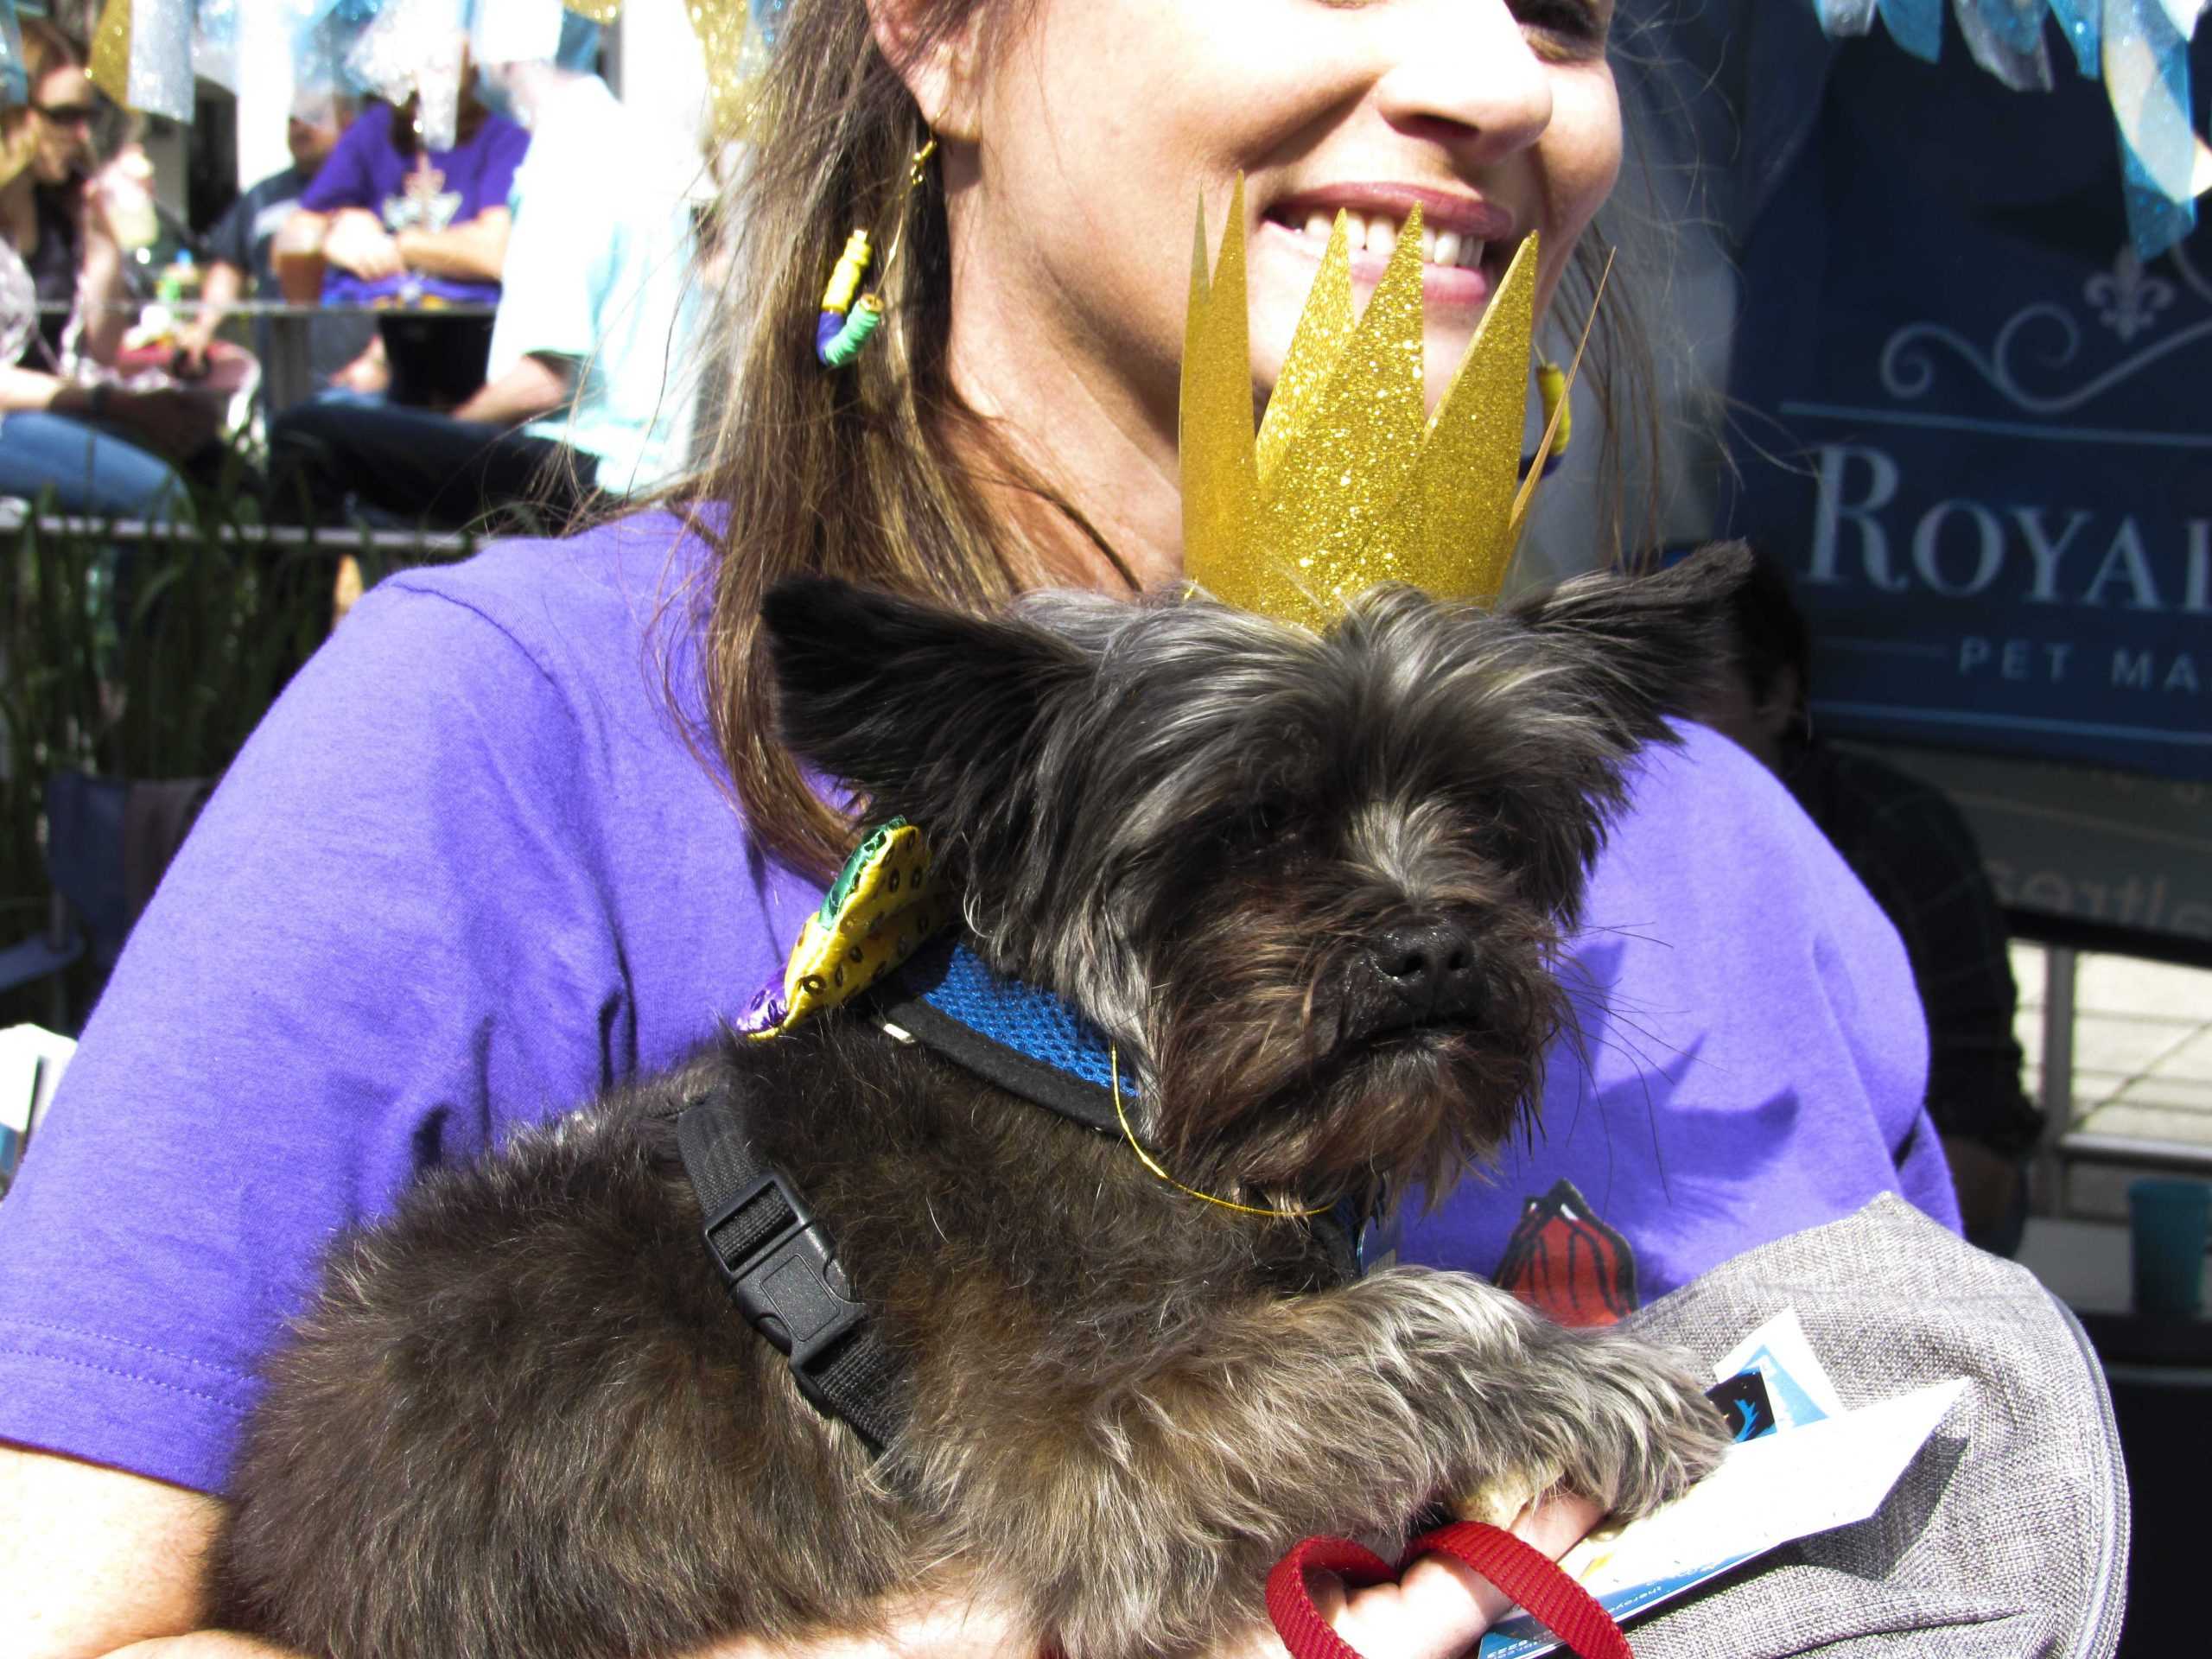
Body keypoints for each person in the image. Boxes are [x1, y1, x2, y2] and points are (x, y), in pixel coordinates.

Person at [0, 3, 1955, 1656]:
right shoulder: (511, 743)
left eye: (1564, 2)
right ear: (934, 28)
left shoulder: (1726, 857)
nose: (1489, 77)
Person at [1686, 546, 2044, 1255]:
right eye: (1622, 691)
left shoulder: (1893, 838)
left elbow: (1980, 1130)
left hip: (1875, 1232)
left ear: (1778, 695)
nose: (1650, 726)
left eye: (1687, 689)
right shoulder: (1588, 835)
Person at [264, 54, 702, 529]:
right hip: (633, 466)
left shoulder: (570, 155)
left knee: (304, 433)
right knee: (376, 431)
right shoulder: (618, 135)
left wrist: (450, 426)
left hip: (591, 474)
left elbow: (542, 384)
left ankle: (292, 603)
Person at [0, 19, 221, 516]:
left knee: (215, 466)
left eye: (89, 115)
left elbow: (102, 346)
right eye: (64, 115)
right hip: (13, 422)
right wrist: (111, 404)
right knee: (156, 496)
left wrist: (102, 246)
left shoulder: (62, 209)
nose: (81, 135)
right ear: (11, 112)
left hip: (58, 414)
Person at [286, 73, 530, 399]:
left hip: (465, 352)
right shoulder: (375, 130)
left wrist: (399, 244)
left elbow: (495, 253)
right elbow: (295, 235)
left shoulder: (503, 138)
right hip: (357, 347)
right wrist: (334, 229)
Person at [174, 90, 372, 393]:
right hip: (285, 377)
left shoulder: (371, 192)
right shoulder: (262, 198)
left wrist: (379, 360)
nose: (301, 128)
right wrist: (203, 327)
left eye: (314, 118)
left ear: (347, 124)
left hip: (362, 381)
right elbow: (230, 267)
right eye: (293, 121)